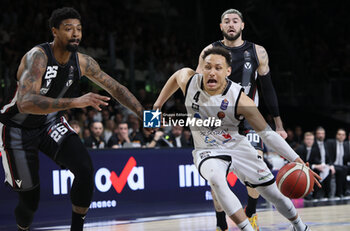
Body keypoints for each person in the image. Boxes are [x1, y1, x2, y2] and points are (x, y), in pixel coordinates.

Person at [0, 7, 145, 231]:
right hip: (16, 127)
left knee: (85, 169)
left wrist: (148, 116)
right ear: (55, 31)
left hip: (50, 123)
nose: (75, 33)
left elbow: (116, 88)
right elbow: (25, 103)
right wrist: (75, 102)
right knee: (30, 201)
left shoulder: (83, 62)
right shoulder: (37, 57)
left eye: (78, 29)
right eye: (68, 29)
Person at [154, 47, 320, 231]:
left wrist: (297, 160)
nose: (211, 72)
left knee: (272, 193)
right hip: (207, 150)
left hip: (237, 146)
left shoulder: (240, 100)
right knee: (216, 179)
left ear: (228, 71)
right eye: (207, 67)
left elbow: (267, 134)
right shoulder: (190, 81)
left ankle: (300, 227)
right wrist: (157, 105)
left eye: (218, 68)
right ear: (202, 68)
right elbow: (177, 76)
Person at [196, 9, 287, 231]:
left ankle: (252, 213)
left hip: (247, 117)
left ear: (243, 25)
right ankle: (221, 225)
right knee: (217, 177)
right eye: (226, 21)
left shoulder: (258, 52)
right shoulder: (209, 51)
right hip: (218, 119)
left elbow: (267, 88)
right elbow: (195, 86)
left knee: (256, 166)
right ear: (221, 27)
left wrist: (278, 124)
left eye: (235, 21)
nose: (231, 24)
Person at [327, 128, 350, 197]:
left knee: (344, 168)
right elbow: (328, 156)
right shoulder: (331, 143)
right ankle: (340, 192)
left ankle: (346, 191)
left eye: (343, 135)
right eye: (339, 134)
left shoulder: (346, 145)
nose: (341, 136)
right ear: (336, 135)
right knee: (342, 170)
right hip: (333, 165)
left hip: (343, 165)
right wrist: (331, 165)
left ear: (345, 136)